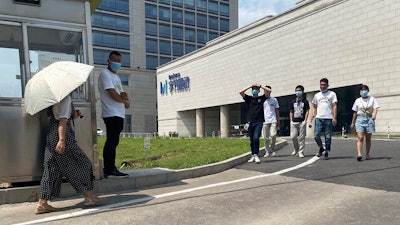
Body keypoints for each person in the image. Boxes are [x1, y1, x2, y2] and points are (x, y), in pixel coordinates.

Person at [36, 94, 105, 214]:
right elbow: (62, 120)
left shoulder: (53, 98)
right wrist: (62, 140)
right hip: (62, 136)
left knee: (52, 169)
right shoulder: (65, 98)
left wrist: (73, 115)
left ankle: (42, 204)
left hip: (51, 135)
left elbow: (58, 116)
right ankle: (89, 197)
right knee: (83, 163)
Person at [98, 51, 130, 178]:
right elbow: (112, 93)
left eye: (119, 60)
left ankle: (111, 167)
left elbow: (122, 94)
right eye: (114, 60)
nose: (117, 62)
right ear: (108, 61)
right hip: (111, 113)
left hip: (119, 113)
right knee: (111, 141)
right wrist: (124, 100)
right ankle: (109, 169)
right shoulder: (105, 74)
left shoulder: (116, 77)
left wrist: (124, 99)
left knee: (114, 141)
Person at [240, 84, 271, 163]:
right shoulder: (249, 99)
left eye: (256, 89)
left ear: (259, 91)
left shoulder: (261, 98)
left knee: (256, 138)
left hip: (259, 122)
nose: (255, 90)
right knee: (251, 140)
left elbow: (269, 91)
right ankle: (253, 155)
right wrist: (250, 86)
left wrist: (260, 86)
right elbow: (241, 92)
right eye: (253, 89)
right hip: (250, 122)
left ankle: (256, 155)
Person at [350, 85, 379, 161]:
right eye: (362, 90)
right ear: (360, 92)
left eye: (365, 90)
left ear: (368, 91)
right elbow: (355, 112)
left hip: (369, 118)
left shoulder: (372, 99)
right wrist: (353, 123)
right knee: (360, 137)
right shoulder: (357, 100)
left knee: (368, 139)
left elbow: (376, 108)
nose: (363, 91)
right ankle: (359, 154)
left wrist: (374, 115)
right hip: (360, 119)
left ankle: (367, 154)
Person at [311, 78, 337, 160]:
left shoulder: (332, 94)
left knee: (328, 136)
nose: (322, 86)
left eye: (324, 85)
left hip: (328, 117)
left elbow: (334, 106)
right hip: (319, 118)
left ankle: (326, 152)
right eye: (321, 85)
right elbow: (314, 106)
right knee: (316, 135)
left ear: (327, 85)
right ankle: (321, 147)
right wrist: (313, 114)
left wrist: (335, 117)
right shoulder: (317, 95)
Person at [289, 85, 310, 158]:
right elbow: (291, 111)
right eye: (296, 91)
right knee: (293, 137)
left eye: (299, 91)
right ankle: (296, 149)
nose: (298, 92)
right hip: (294, 122)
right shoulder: (292, 101)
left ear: (302, 92)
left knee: (302, 137)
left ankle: (301, 152)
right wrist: (291, 121)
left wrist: (305, 120)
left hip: (302, 122)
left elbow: (307, 111)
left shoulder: (305, 101)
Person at [262, 85, 280, 158]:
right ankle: (267, 151)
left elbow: (276, 110)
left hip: (273, 120)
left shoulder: (274, 100)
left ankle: (272, 149)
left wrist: (278, 120)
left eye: (268, 90)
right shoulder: (262, 100)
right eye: (265, 90)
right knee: (266, 138)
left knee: (273, 135)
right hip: (265, 121)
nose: (267, 92)